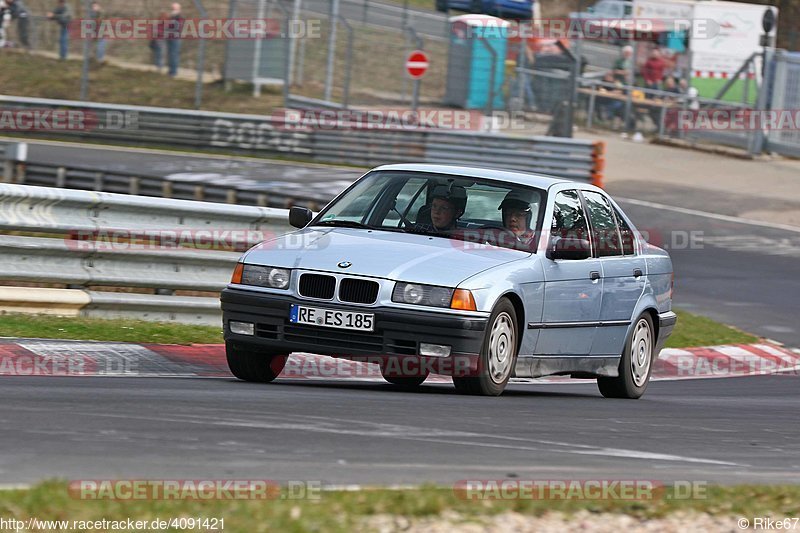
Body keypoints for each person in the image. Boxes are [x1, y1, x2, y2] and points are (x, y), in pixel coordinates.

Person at [165, 2, 183, 76]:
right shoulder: (171, 17)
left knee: (174, 54)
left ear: (178, 9)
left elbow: (177, 28)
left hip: (175, 38)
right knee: (170, 54)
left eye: (174, 8)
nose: (173, 10)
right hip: (170, 38)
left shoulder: (179, 18)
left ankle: (174, 71)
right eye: (172, 8)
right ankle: (171, 70)